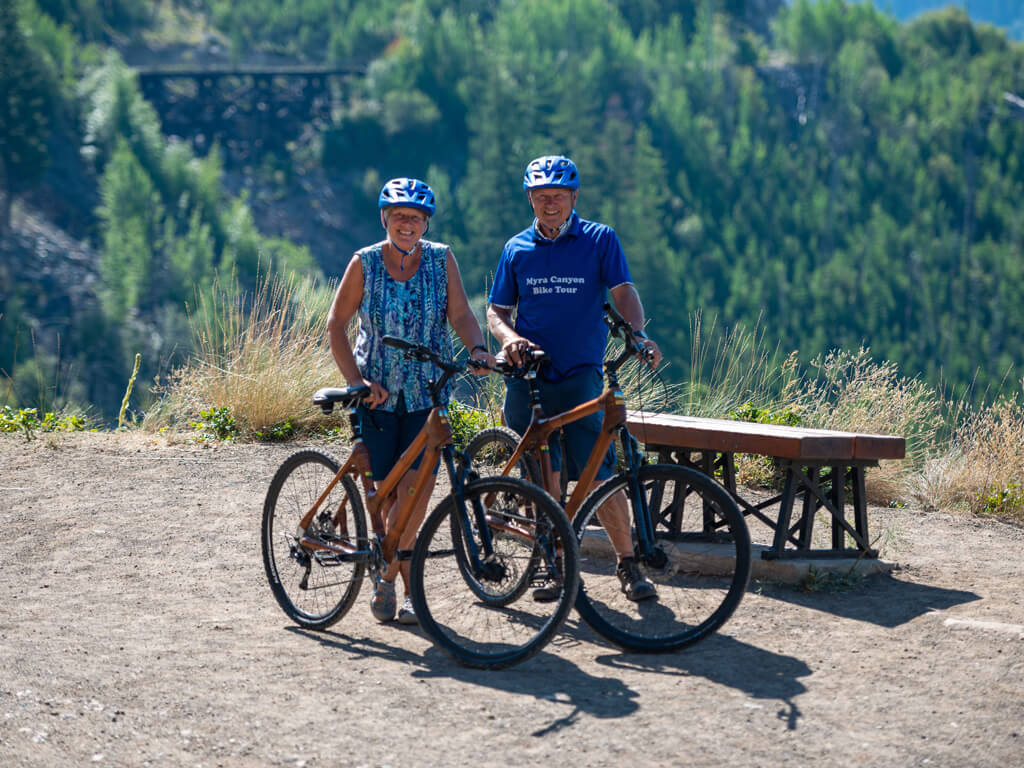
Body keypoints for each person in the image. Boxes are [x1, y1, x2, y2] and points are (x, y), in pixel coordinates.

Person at [486, 155, 663, 602]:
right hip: (530, 377)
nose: (550, 204)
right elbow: (496, 311)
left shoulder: (599, 239)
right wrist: (508, 339)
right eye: (541, 196)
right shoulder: (516, 249)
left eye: (558, 196)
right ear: (529, 198)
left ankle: (629, 565)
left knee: (599, 474)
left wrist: (638, 334)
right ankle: (556, 565)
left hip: (582, 376)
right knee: (545, 478)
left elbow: (624, 292)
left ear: (574, 198)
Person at [327, 177, 495, 624]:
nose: (408, 225)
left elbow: (460, 314)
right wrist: (358, 381)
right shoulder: (364, 263)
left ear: (426, 223)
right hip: (376, 399)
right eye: (400, 217)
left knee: (414, 498)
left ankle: (397, 589)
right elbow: (336, 325)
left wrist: (478, 348)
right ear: (385, 219)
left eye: (416, 218)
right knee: (383, 497)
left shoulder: (441, 260)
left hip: (427, 396)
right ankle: (386, 570)